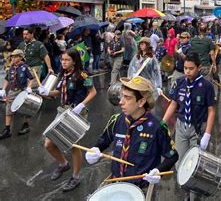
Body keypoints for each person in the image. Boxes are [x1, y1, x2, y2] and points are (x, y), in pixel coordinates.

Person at [85, 76, 178, 194]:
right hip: (116, 183)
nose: (121, 102)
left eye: (127, 98)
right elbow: (104, 140)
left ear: (141, 102)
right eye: (122, 95)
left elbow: (172, 156)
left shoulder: (157, 127)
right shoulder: (117, 120)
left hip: (142, 188)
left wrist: (158, 171)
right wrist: (95, 149)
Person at [39, 49, 97, 192]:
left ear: (74, 61)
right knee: (48, 143)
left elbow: (93, 92)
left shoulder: (83, 75)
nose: (63, 62)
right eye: (62, 59)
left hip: (76, 113)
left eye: (67, 60)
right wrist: (47, 93)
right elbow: (59, 91)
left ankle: (76, 177)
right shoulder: (63, 74)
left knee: (73, 146)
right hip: (63, 111)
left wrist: (81, 105)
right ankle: (64, 164)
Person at [163, 53, 215, 170]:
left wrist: (207, 134)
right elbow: (173, 103)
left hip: (198, 128)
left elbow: (211, 111)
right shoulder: (179, 82)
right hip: (181, 126)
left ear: (199, 67)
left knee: (195, 163)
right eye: (185, 68)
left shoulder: (206, 86)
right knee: (180, 160)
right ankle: (181, 184)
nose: (187, 71)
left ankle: (194, 186)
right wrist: (163, 122)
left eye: (191, 68)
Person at [0, 49, 35, 139]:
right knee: (8, 109)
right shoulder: (11, 67)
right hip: (12, 91)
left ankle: (26, 125)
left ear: (20, 57)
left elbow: (31, 78)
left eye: (15, 57)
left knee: (24, 109)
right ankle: (7, 130)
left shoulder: (25, 67)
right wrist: (3, 89)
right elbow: (8, 79)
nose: (13, 58)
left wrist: (29, 87)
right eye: (12, 57)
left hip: (22, 90)